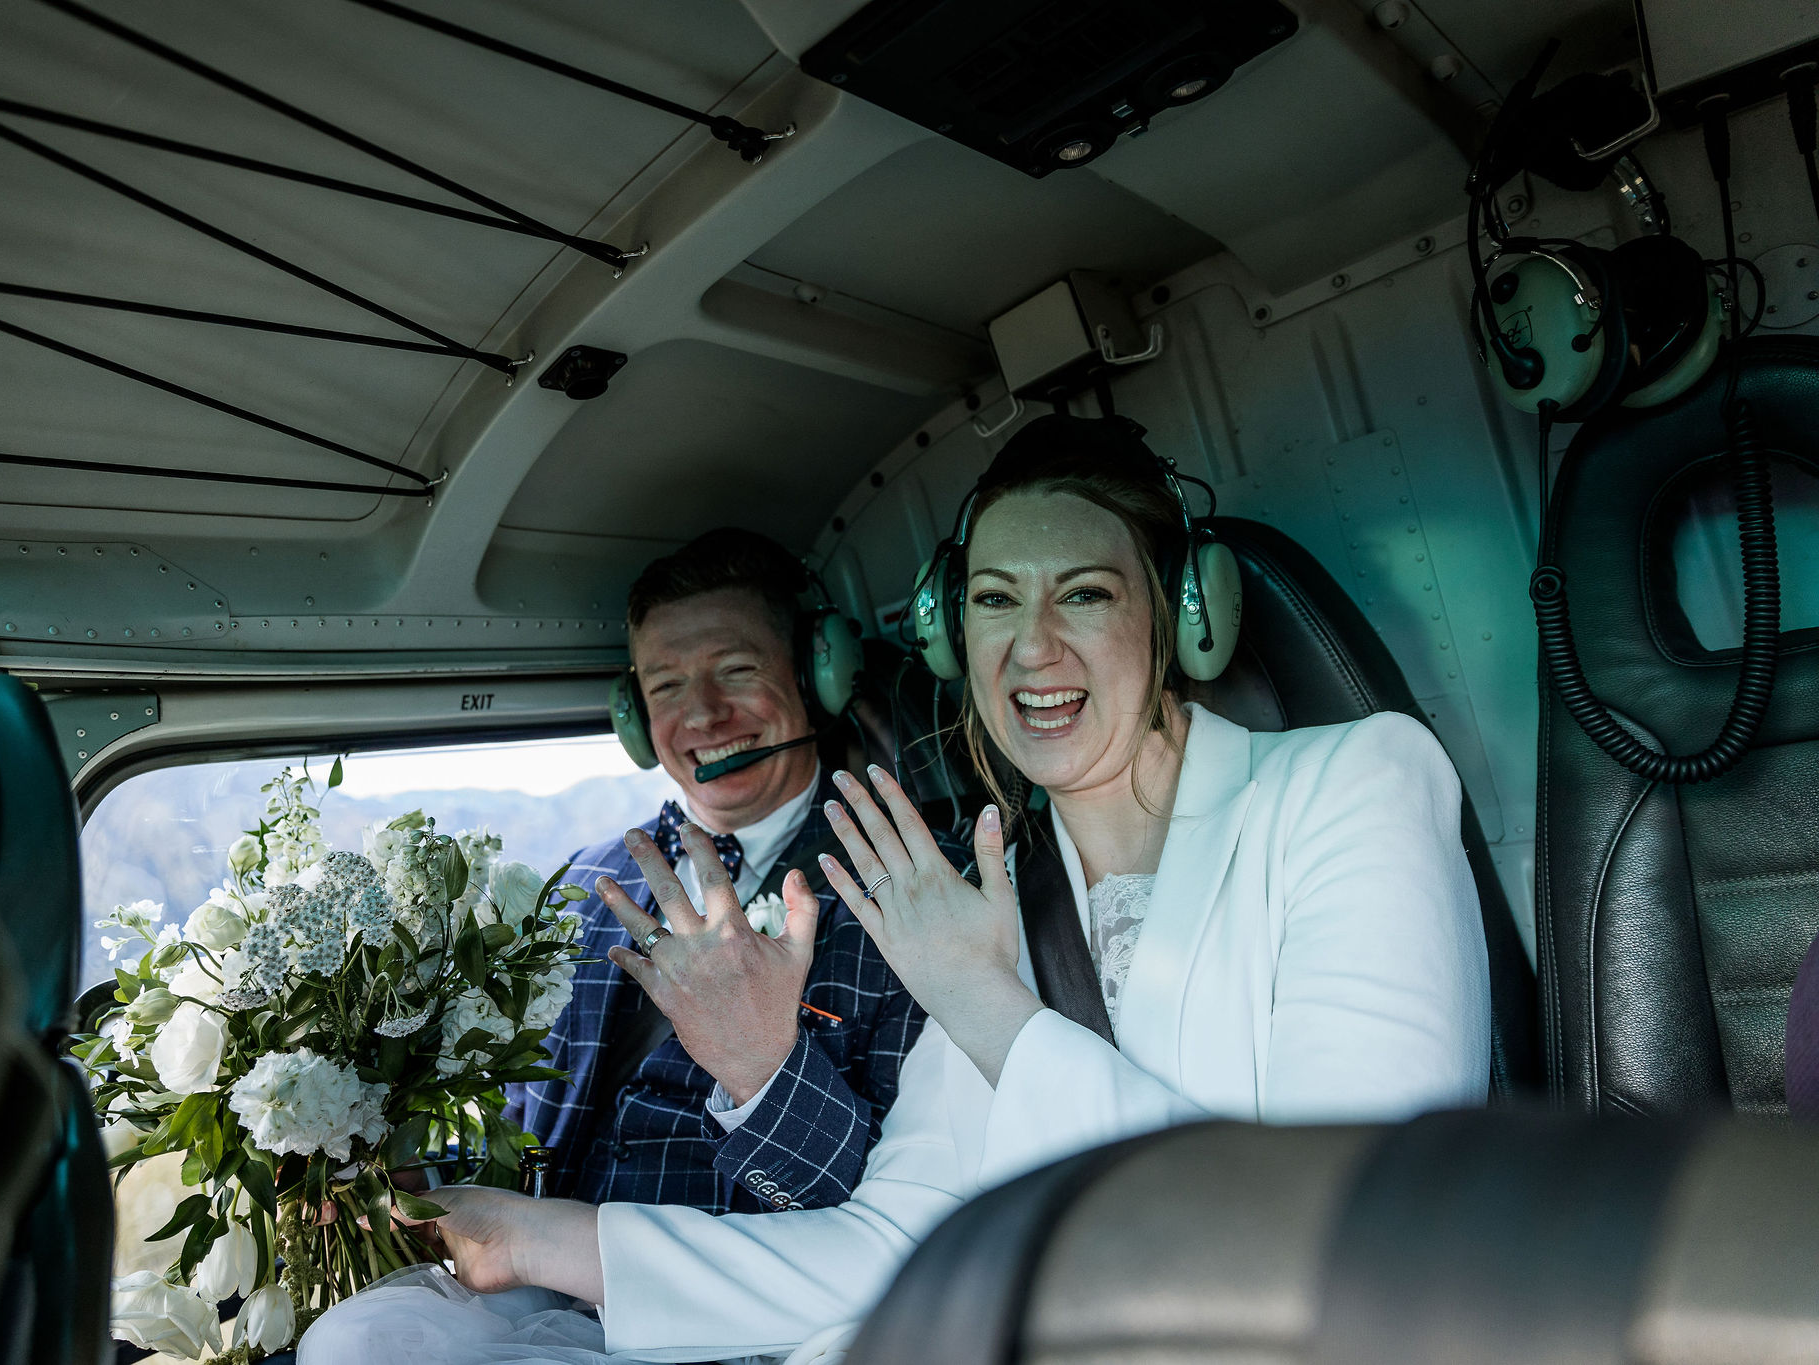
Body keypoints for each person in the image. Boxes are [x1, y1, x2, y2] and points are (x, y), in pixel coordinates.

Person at [303, 417, 1490, 1364]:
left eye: (1082, 593)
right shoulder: (986, 889)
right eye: (991, 600)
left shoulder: (1350, 785)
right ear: (948, 635)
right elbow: (887, 1245)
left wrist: (979, 999)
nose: (1030, 649)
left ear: (1181, 613)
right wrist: (541, 1240)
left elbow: (1344, 1238)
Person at [501, 527, 970, 1219]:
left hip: (752, 1315)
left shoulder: (920, 884)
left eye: (737, 669)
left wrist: (760, 1063)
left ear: (815, 678)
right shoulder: (582, 880)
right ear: (634, 715)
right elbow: (517, 1117)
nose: (703, 713)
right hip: (538, 1290)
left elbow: (898, 1217)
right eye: (666, 685)